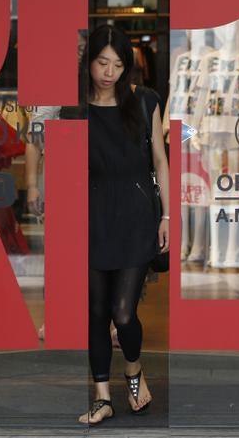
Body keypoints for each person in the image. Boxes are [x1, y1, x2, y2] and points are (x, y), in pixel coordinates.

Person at [79, 25, 170, 425]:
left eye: (117, 64)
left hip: (136, 216)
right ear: (90, 61)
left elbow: (161, 161)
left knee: (123, 313)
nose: (109, 72)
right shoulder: (76, 108)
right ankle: (101, 396)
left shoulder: (145, 100)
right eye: (102, 62)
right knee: (96, 312)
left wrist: (166, 215)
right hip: (93, 214)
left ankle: (133, 369)